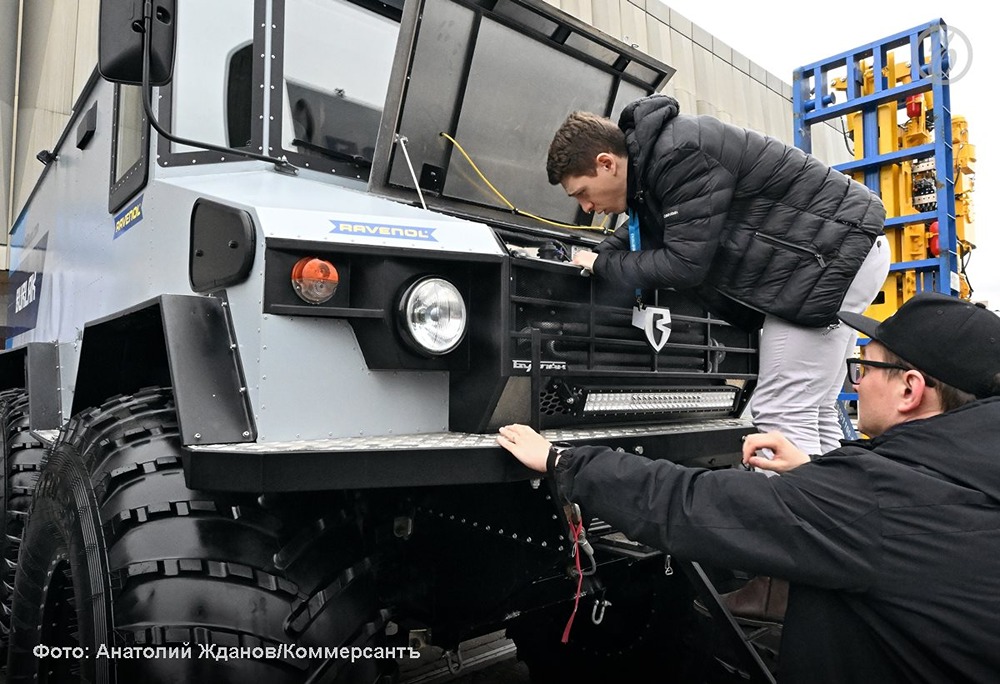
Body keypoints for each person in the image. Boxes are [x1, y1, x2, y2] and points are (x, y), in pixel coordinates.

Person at [497, 293, 1000, 683]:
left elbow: (691, 506)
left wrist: (564, 462)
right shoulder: (969, 468)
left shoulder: (876, 500)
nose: (857, 382)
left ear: (910, 389)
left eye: (865, 367)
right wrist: (812, 473)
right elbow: (896, 514)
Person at [547, 94, 890, 457]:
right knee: (815, 409)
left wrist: (600, 265)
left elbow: (684, 263)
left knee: (781, 411)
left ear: (606, 164)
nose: (586, 207)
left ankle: (792, 510)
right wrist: (597, 255)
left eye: (582, 193)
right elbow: (647, 229)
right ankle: (830, 502)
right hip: (842, 254)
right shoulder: (656, 166)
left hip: (825, 260)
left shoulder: (679, 155)